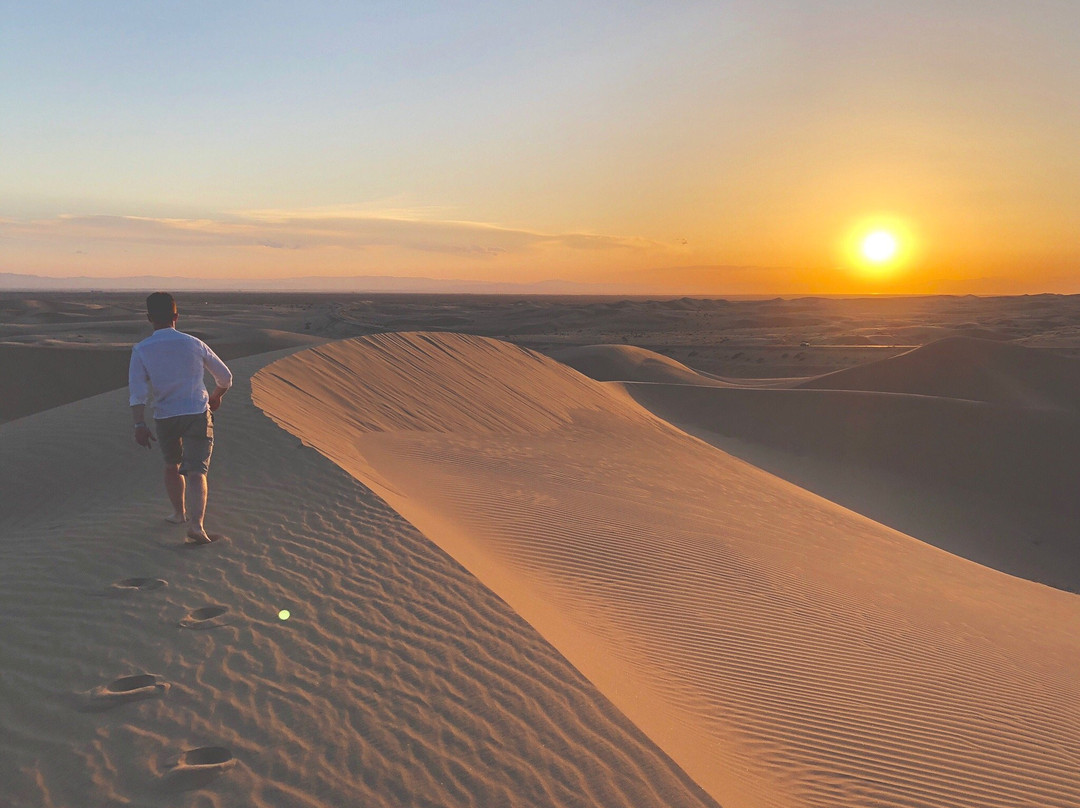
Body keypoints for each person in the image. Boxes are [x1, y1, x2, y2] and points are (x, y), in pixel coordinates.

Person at [128, 292, 233, 544]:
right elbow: (226, 377)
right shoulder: (193, 343)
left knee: (172, 465)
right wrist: (217, 396)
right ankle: (197, 525)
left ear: (149, 318)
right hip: (196, 412)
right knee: (197, 471)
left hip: (165, 415)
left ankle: (178, 513)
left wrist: (139, 423)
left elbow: (138, 391)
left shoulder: (141, 349)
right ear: (176, 316)